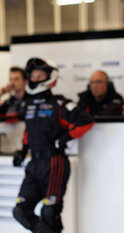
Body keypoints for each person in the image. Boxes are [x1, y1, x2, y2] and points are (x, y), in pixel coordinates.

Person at [12, 57, 94, 233]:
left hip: (54, 163)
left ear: (49, 77)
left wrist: (64, 139)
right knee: (20, 211)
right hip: (34, 164)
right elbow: (29, 130)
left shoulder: (60, 104)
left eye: (39, 75)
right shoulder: (27, 104)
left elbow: (86, 121)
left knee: (49, 213)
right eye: (32, 75)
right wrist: (22, 150)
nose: (35, 79)